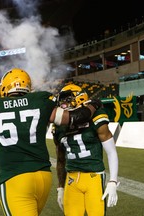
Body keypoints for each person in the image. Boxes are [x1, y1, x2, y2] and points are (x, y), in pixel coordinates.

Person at [0, 68, 102, 216]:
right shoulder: (41, 100)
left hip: (15, 179)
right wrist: (94, 104)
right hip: (43, 178)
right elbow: (75, 117)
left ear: (4, 87)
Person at [52, 83, 119, 216]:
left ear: (79, 98)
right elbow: (60, 160)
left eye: (67, 98)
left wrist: (113, 181)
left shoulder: (96, 116)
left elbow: (111, 152)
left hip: (93, 176)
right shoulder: (59, 126)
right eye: (62, 100)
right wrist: (60, 187)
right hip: (71, 178)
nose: (64, 103)